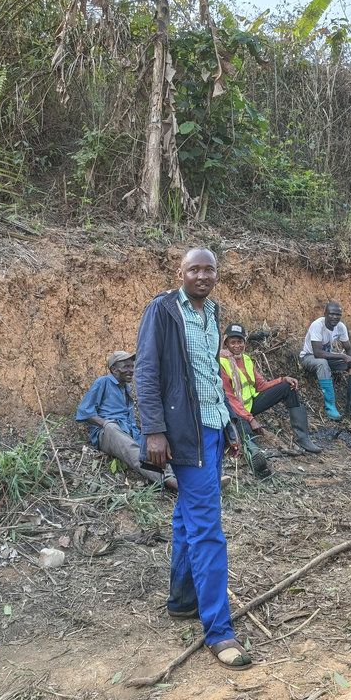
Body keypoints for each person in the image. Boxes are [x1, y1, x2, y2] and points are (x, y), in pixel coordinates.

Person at [135, 247, 251, 671]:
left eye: (210, 269)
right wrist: (153, 430)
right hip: (185, 434)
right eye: (195, 269)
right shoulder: (163, 310)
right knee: (208, 530)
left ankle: (182, 600)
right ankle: (219, 631)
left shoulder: (212, 312)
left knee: (189, 518)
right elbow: (147, 370)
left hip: (214, 427)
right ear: (180, 272)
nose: (203, 275)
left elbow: (208, 373)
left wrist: (229, 425)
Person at [220, 323, 322, 470]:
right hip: (234, 410)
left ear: (244, 342)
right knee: (245, 430)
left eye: (240, 341)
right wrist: (251, 419)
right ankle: (254, 455)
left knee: (288, 387)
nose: (237, 346)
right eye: (233, 342)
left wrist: (282, 379)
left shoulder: (246, 359)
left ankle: (303, 438)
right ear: (226, 343)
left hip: (249, 406)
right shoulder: (222, 362)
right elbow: (229, 398)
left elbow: (260, 385)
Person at [76, 351, 178, 492]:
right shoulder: (103, 382)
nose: (131, 370)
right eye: (126, 367)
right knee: (128, 445)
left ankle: (186, 479)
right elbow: (84, 411)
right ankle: (169, 481)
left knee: (158, 446)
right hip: (108, 433)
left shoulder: (127, 389)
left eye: (132, 366)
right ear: (114, 370)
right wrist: (106, 424)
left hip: (128, 433)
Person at [297, 302, 351, 419]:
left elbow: (348, 348)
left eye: (338, 314)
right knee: (322, 363)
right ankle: (331, 407)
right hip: (309, 356)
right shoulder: (317, 325)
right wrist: (342, 357)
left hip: (327, 356)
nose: (335, 317)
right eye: (332, 314)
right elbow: (318, 353)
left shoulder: (341, 327)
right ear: (325, 314)